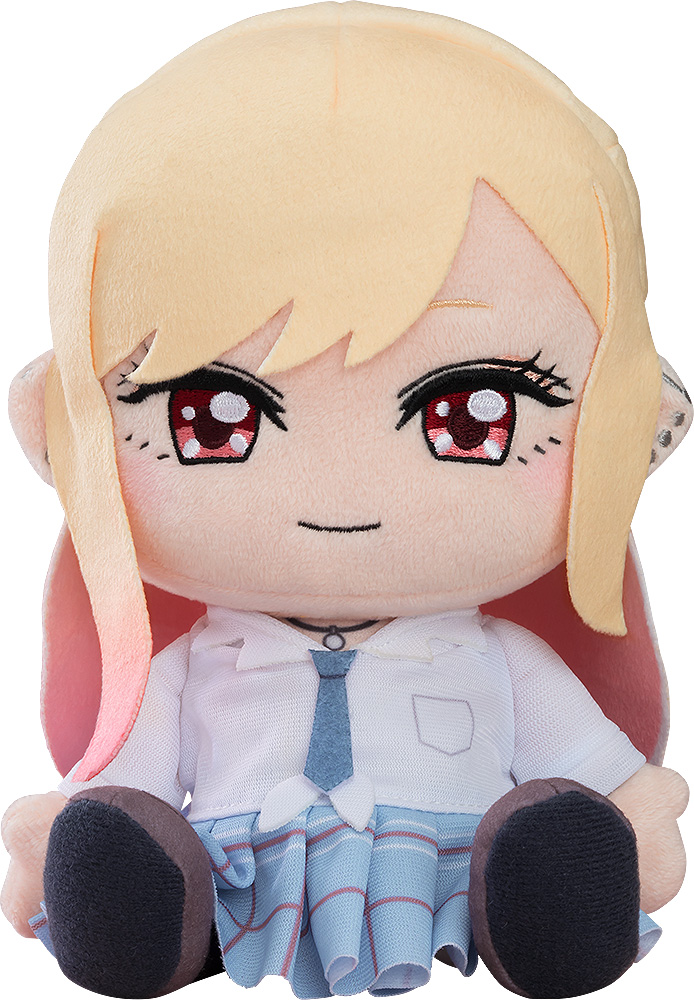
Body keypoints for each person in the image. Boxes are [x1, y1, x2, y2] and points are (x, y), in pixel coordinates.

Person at [1, 4, 689, 998]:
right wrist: (73, 832)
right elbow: (126, 780)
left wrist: (629, 813)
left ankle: (540, 908)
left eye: (472, 415)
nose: (343, 491)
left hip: (456, 869)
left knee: (544, 847)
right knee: (135, 855)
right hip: (239, 872)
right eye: (213, 417)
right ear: (60, 434)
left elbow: (603, 774)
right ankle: (150, 921)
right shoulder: (186, 668)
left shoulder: (501, 657)